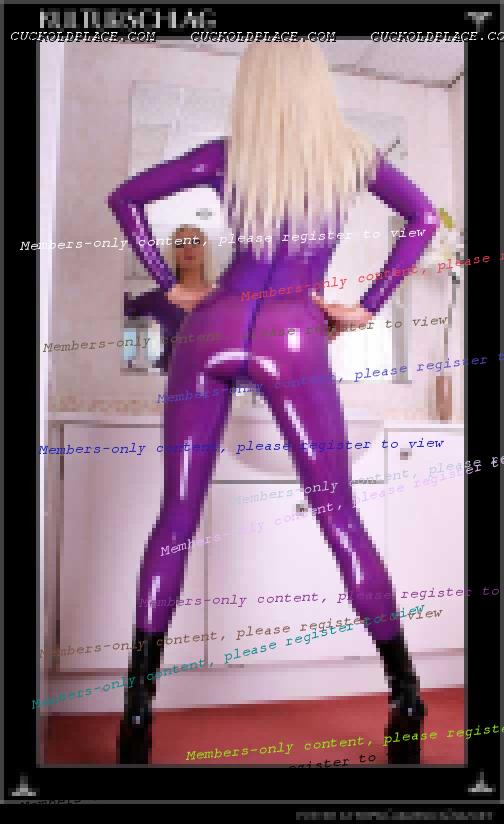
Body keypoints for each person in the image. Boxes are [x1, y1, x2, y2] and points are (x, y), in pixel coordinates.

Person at [108, 42, 440, 765]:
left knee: (175, 517)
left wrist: (170, 282)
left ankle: (134, 713)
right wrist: (370, 305)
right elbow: (423, 220)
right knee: (339, 516)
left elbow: (124, 198)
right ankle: (406, 692)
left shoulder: (231, 156)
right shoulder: (351, 158)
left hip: (212, 326)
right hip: (292, 333)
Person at [124, 225, 212, 373]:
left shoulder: (222, 296)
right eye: (180, 244)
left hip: (212, 375)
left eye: (195, 242)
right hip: (168, 375)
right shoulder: (158, 298)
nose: (188, 248)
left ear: (204, 250)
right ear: (174, 253)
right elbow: (120, 308)